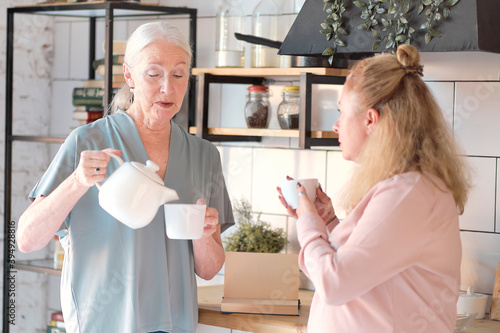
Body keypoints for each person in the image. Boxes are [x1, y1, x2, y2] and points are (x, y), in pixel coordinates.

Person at [16, 21, 234, 333]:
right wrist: (78, 181)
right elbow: (27, 239)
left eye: (178, 74)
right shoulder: (87, 142)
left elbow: (209, 269)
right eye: (154, 73)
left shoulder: (204, 155)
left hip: (174, 325)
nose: (167, 88)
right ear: (129, 75)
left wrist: (203, 233)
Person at [278, 45, 470, 333]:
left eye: (342, 112)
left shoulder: (407, 193)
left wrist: (308, 224)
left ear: (370, 120)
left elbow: (335, 283)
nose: (335, 125)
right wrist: (328, 223)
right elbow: (364, 269)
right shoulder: (405, 186)